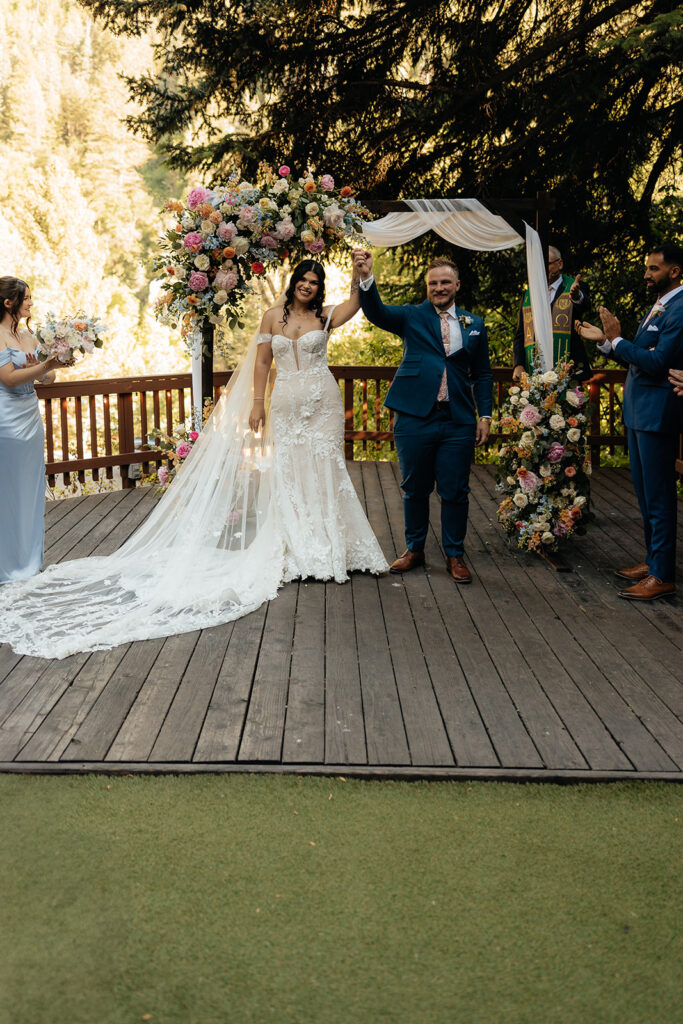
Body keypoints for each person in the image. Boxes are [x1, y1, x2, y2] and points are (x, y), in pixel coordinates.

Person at [0, 259, 387, 659]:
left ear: (320, 287)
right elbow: (262, 364)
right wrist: (258, 403)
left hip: (322, 401)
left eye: (314, 281)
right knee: (288, 471)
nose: (307, 286)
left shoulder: (326, 316)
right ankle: (295, 541)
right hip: (286, 402)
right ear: (294, 283)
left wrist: (363, 273)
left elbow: (357, 302)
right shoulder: (274, 316)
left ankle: (328, 542)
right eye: (302, 280)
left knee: (325, 468)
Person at [356, 253, 493, 584]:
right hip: (415, 416)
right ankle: (414, 549)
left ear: (457, 285)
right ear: (427, 287)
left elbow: (483, 374)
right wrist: (365, 279)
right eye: (433, 283)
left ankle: (454, 554)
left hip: (458, 418)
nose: (439, 288)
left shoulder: (474, 324)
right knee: (414, 488)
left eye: (445, 282)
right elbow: (376, 312)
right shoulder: (411, 316)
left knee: (455, 491)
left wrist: (485, 414)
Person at [576, 242, 683, 601]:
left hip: (658, 414)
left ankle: (663, 574)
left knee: (659, 495)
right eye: (647, 268)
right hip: (639, 412)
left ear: (675, 271)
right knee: (644, 492)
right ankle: (654, 560)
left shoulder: (680, 308)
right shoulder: (660, 306)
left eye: (654, 268)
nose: (647, 274)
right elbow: (640, 356)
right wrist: (608, 344)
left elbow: (658, 361)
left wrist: (618, 340)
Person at [0, 277, 58, 584]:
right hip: (5, 420)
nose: (31, 303)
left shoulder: (27, 335)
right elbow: (9, 378)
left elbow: (46, 381)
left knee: (31, 491)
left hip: (29, 418)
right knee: (6, 492)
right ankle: (6, 565)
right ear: (9, 302)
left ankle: (29, 560)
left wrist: (50, 368)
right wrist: (48, 365)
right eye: (26, 298)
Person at [513, 245, 591, 381]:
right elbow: (521, 334)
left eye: (547, 264)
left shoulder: (574, 286)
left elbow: (585, 308)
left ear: (560, 263)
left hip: (569, 369)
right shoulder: (529, 295)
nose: (542, 269)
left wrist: (577, 296)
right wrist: (518, 364)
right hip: (535, 368)